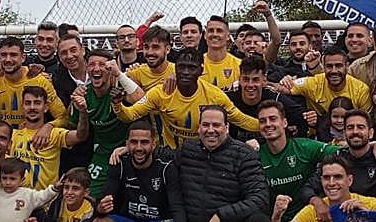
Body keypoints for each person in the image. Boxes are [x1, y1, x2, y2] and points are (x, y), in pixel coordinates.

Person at [114, 51, 258, 148]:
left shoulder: (215, 96)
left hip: (202, 155)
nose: (186, 72)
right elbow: (129, 115)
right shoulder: (161, 92)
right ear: (175, 69)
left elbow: (241, 119)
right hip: (170, 154)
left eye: (191, 68)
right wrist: (117, 104)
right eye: (181, 67)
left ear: (201, 70)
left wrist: (265, 126)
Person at [71, 50, 129, 197]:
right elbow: (80, 135)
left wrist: (129, 146)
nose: (96, 69)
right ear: (86, 68)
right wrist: (82, 112)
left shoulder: (123, 90)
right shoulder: (83, 95)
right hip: (102, 153)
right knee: (90, 194)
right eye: (92, 64)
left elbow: (144, 115)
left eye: (102, 65)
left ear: (111, 69)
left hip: (131, 149)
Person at [279, 46, 371, 115]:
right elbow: (281, 88)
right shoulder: (314, 83)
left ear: (347, 66)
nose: (334, 71)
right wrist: (284, 82)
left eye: (338, 66)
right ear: (323, 66)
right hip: (318, 133)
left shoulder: (361, 90)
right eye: (329, 66)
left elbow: (365, 121)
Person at [127, 26, 177, 93]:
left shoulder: (177, 72)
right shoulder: (136, 73)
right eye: (146, 47)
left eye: (155, 47)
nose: (150, 52)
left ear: (167, 49)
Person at [200, 16, 241, 89]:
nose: (214, 34)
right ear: (205, 35)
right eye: (211, 30)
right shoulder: (197, 64)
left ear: (228, 36)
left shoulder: (239, 65)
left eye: (219, 31)